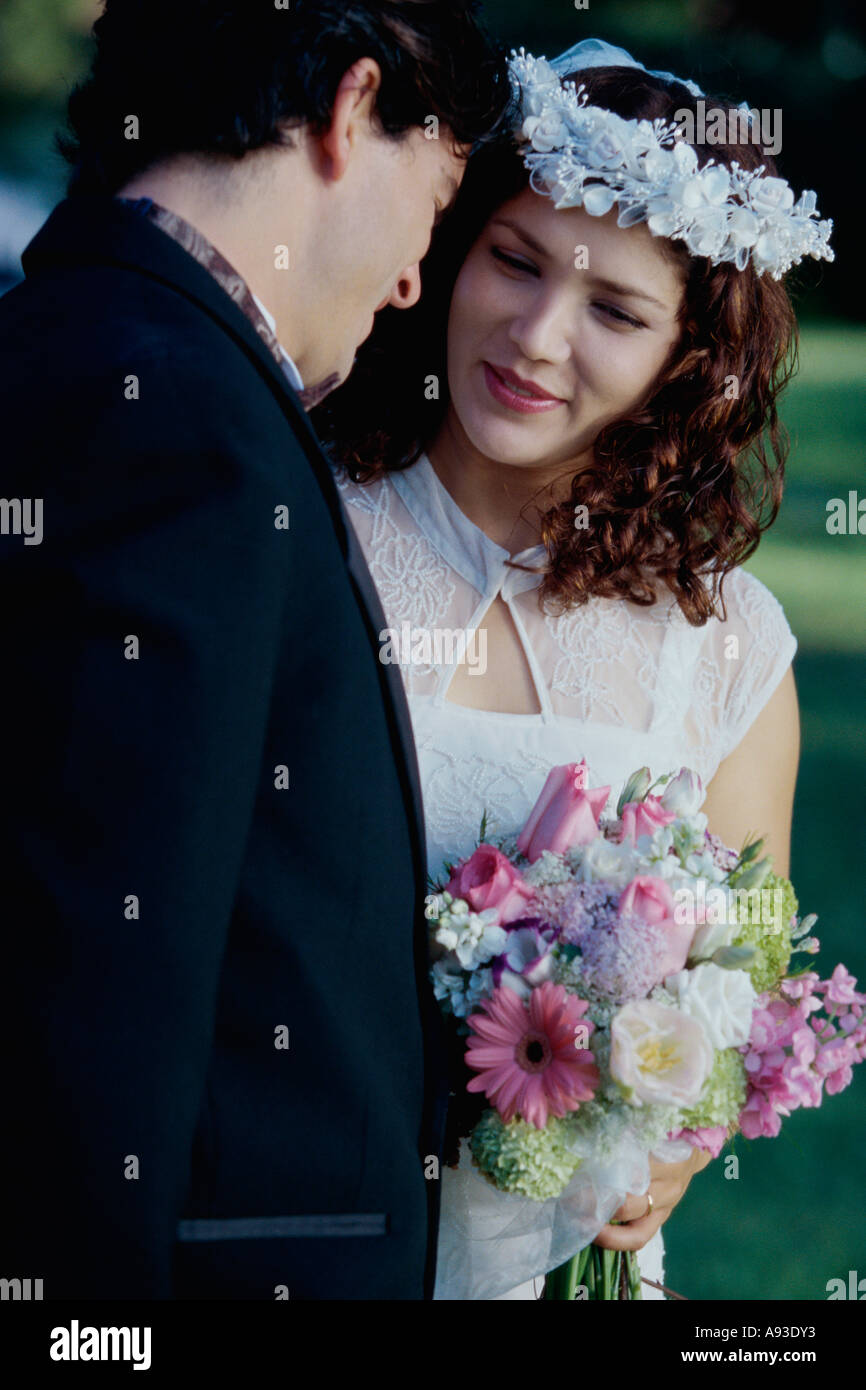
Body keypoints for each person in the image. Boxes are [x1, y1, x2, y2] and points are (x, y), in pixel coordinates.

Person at [0, 1, 509, 1300]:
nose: (412, 281)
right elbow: (100, 959)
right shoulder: (178, 417)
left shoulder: (78, 339)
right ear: (350, 108)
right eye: (433, 202)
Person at [315, 36, 833, 1298]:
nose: (537, 337)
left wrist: (681, 1133)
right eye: (513, 260)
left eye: (612, 310)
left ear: (686, 358)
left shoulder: (729, 649)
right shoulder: (302, 530)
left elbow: (749, 962)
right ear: (451, 247)